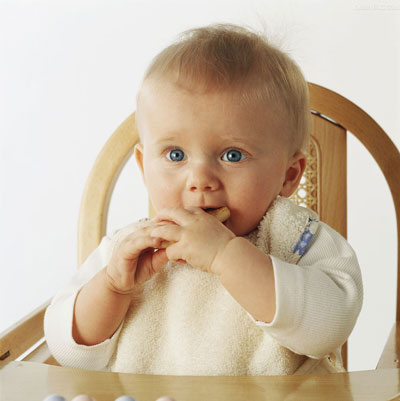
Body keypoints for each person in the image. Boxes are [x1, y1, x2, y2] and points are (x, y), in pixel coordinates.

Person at [44, 23, 363, 375]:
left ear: (289, 175)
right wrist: (112, 288)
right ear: (143, 166)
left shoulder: (299, 241)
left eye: (232, 156)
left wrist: (226, 257)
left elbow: (328, 328)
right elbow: (67, 350)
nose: (199, 180)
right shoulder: (129, 251)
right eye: (176, 155)